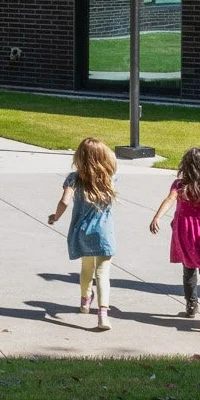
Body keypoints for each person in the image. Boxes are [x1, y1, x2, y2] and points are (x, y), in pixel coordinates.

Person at [149, 146, 200, 330]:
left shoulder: (179, 185)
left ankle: (191, 305)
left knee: (188, 269)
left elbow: (169, 200)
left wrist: (157, 217)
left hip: (183, 230)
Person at [46, 137, 119, 332]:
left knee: (86, 268)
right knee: (103, 272)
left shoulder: (74, 178)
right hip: (104, 234)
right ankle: (103, 314)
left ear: (79, 157)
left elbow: (64, 201)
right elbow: (113, 159)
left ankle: (85, 301)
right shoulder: (109, 177)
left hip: (82, 232)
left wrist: (55, 217)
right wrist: (104, 154)